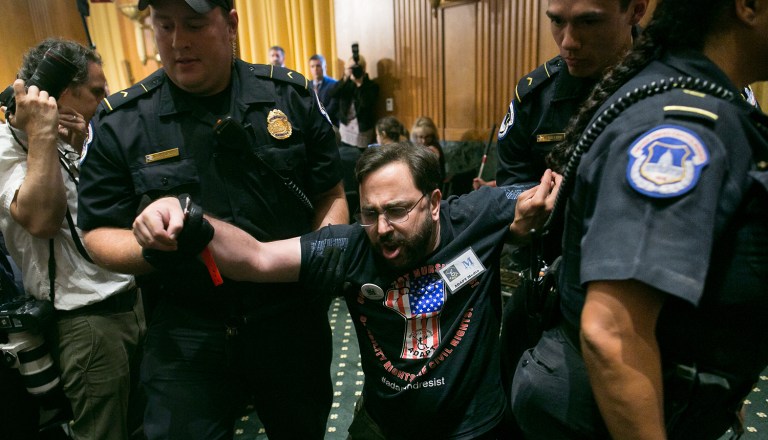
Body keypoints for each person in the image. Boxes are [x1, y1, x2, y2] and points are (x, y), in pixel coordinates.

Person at [132, 142, 562, 439]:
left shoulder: (476, 215)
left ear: (433, 202)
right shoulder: (351, 245)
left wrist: (530, 216)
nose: (383, 228)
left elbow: (546, 192)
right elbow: (256, 257)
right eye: (370, 212)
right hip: (386, 424)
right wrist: (185, 213)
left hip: (473, 422)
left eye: (397, 211)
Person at [76, 0, 348, 439]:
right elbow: (97, 233)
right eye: (163, 26)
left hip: (287, 318)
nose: (178, 41)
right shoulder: (122, 123)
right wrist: (150, 245)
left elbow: (330, 195)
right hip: (188, 325)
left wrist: (322, 257)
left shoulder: (289, 98)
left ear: (231, 24)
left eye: (195, 24)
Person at [511, 0, 768, 439]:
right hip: (603, 405)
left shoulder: (689, 94)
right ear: (747, 6)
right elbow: (612, 332)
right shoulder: (684, 125)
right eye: (558, 22)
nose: (569, 40)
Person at [0, 38, 145, 440]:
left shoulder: (71, 139)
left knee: (141, 426)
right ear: (62, 93)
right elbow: (43, 218)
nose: (103, 101)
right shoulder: (6, 148)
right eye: (97, 92)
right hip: (86, 323)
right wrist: (42, 130)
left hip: (130, 302)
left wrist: (81, 147)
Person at [495, 0, 647, 187]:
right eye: (557, 21)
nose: (568, 43)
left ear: (636, 10)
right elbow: (510, 190)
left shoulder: (674, 83)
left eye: (589, 21)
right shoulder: (535, 96)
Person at [331, 53, 379, 149]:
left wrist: (359, 84)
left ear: (364, 69)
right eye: (351, 68)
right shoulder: (345, 83)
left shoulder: (371, 86)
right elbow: (333, 94)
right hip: (345, 128)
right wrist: (345, 78)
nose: (354, 70)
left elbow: (365, 103)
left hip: (363, 130)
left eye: (356, 68)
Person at [410, 116, 447, 185]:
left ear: (432, 136)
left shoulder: (434, 148)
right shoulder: (415, 146)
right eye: (420, 137)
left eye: (427, 137)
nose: (423, 141)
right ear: (415, 136)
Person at [309, 54, 338, 125]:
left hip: (330, 124)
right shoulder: (308, 85)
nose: (315, 69)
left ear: (325, 67)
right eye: (312, 66)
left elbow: (333, 108)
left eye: (318, 66)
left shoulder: (334, 84)